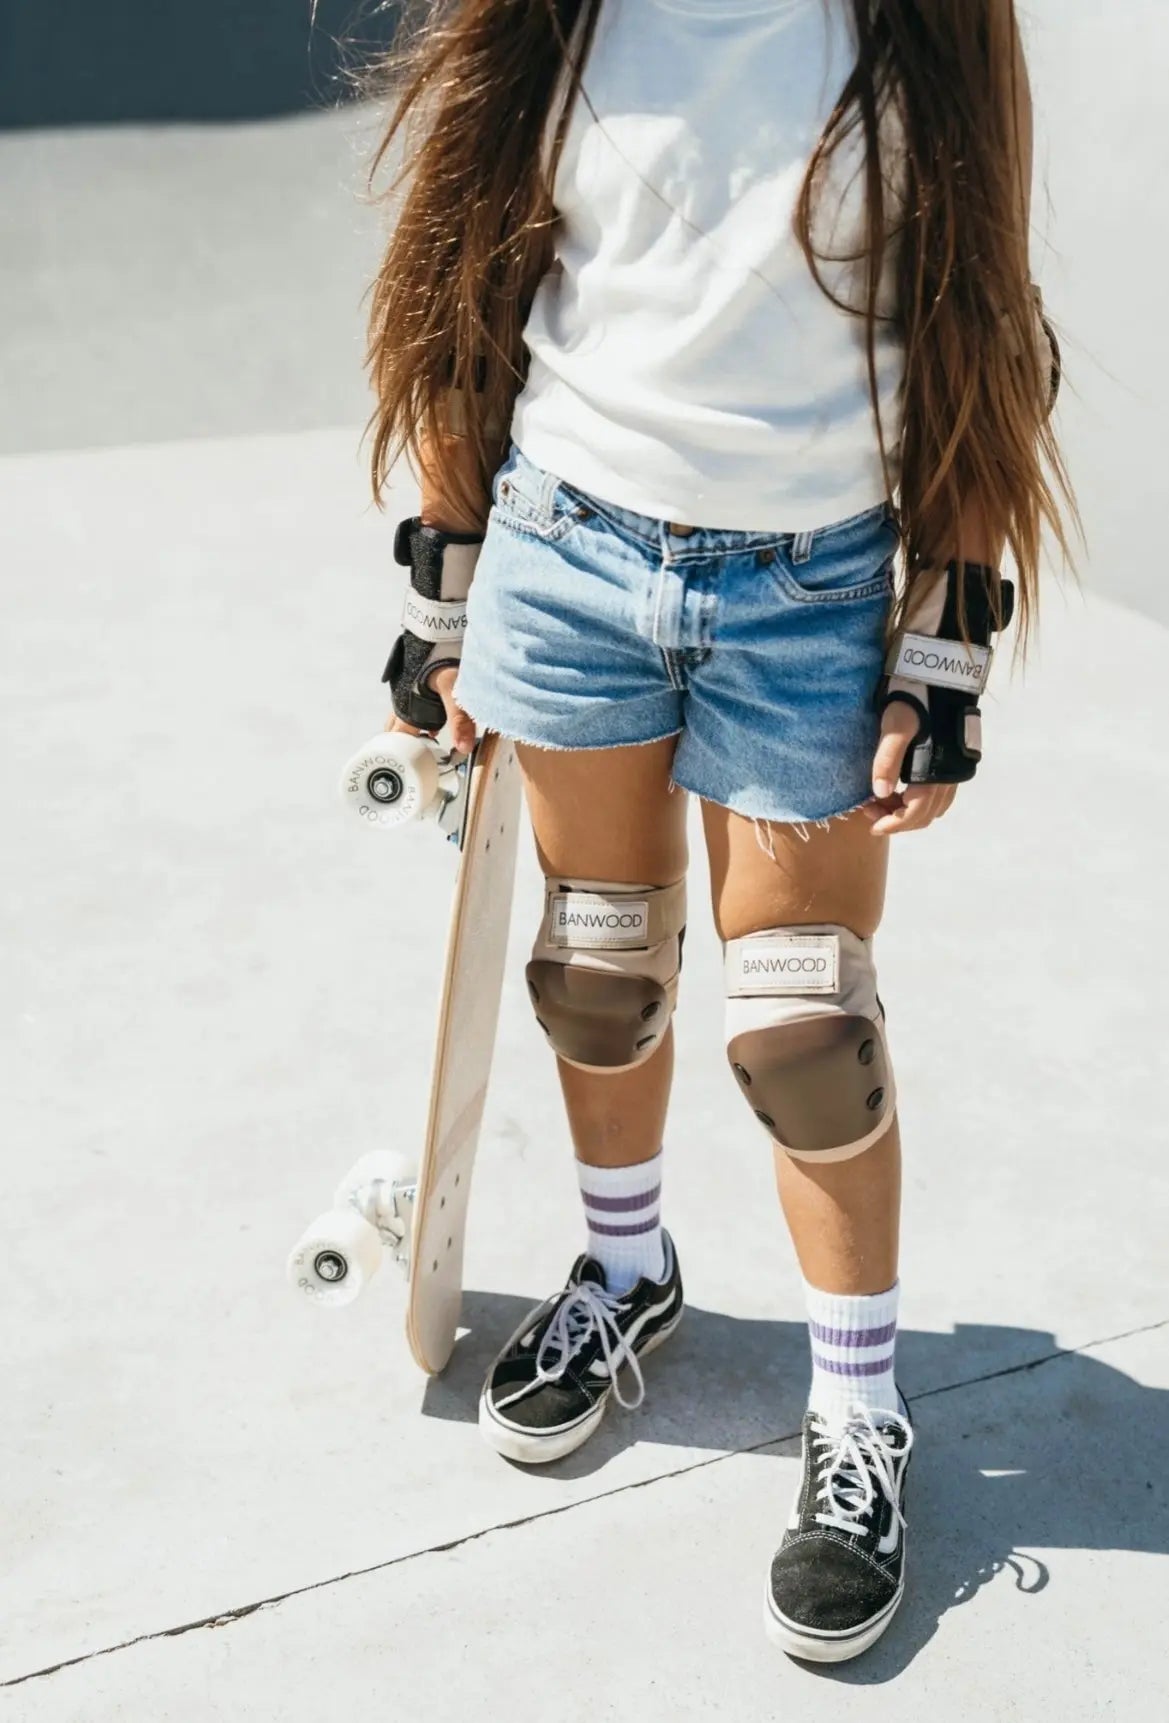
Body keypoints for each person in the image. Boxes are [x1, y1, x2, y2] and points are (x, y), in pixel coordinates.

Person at [364, 0, 1074, 1663]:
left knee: (805, 1030)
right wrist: (449, 594)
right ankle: (626, 1272)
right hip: (569, 543)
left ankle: (854, 1412)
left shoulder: (931, 23)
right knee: (595, 966)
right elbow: (466, 277)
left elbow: (981, 315)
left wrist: (946, 642)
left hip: (812, 584)